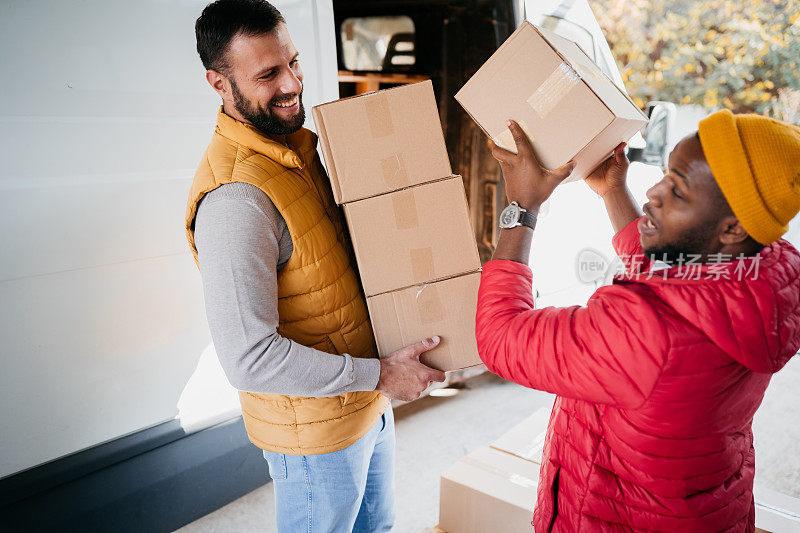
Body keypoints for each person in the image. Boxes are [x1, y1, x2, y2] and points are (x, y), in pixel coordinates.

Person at [184, 1, 445, 531]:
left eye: (293, 63)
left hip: (365, 407)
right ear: (219, 84)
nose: (292, 84)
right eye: (268, 75)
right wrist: (381, 374)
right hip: (317, 436)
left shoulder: (297, 151)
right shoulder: (236, 199)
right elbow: (249, 358)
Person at [476, 111, 800, 531]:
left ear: (732, 227)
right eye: (667, 172)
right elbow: (681, 280)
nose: (653, 190)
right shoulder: (763, 274)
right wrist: (614, 191)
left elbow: (500, 337)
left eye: (678, 191)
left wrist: (521, 206)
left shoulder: (647, 331)